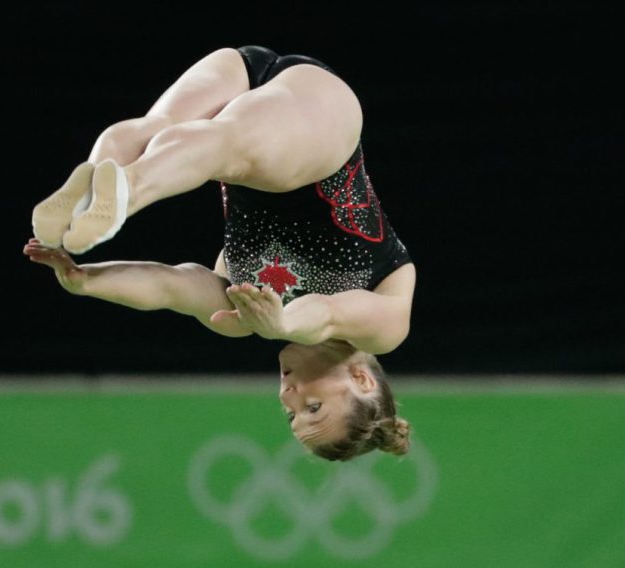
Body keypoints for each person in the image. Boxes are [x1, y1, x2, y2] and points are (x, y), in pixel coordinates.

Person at [25, 45, 415, 462]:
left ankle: (100, 183)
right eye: (313, 407)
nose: (288, 393)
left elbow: (171, 286)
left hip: (244, 78)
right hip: (322, 130)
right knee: (222, 145)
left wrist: (86, 280)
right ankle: (125, 192)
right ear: (361, 379)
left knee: (150, 133)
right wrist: (281, 322)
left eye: (290, 414)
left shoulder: (241, 318)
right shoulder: (383, 331)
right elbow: (326, 313)